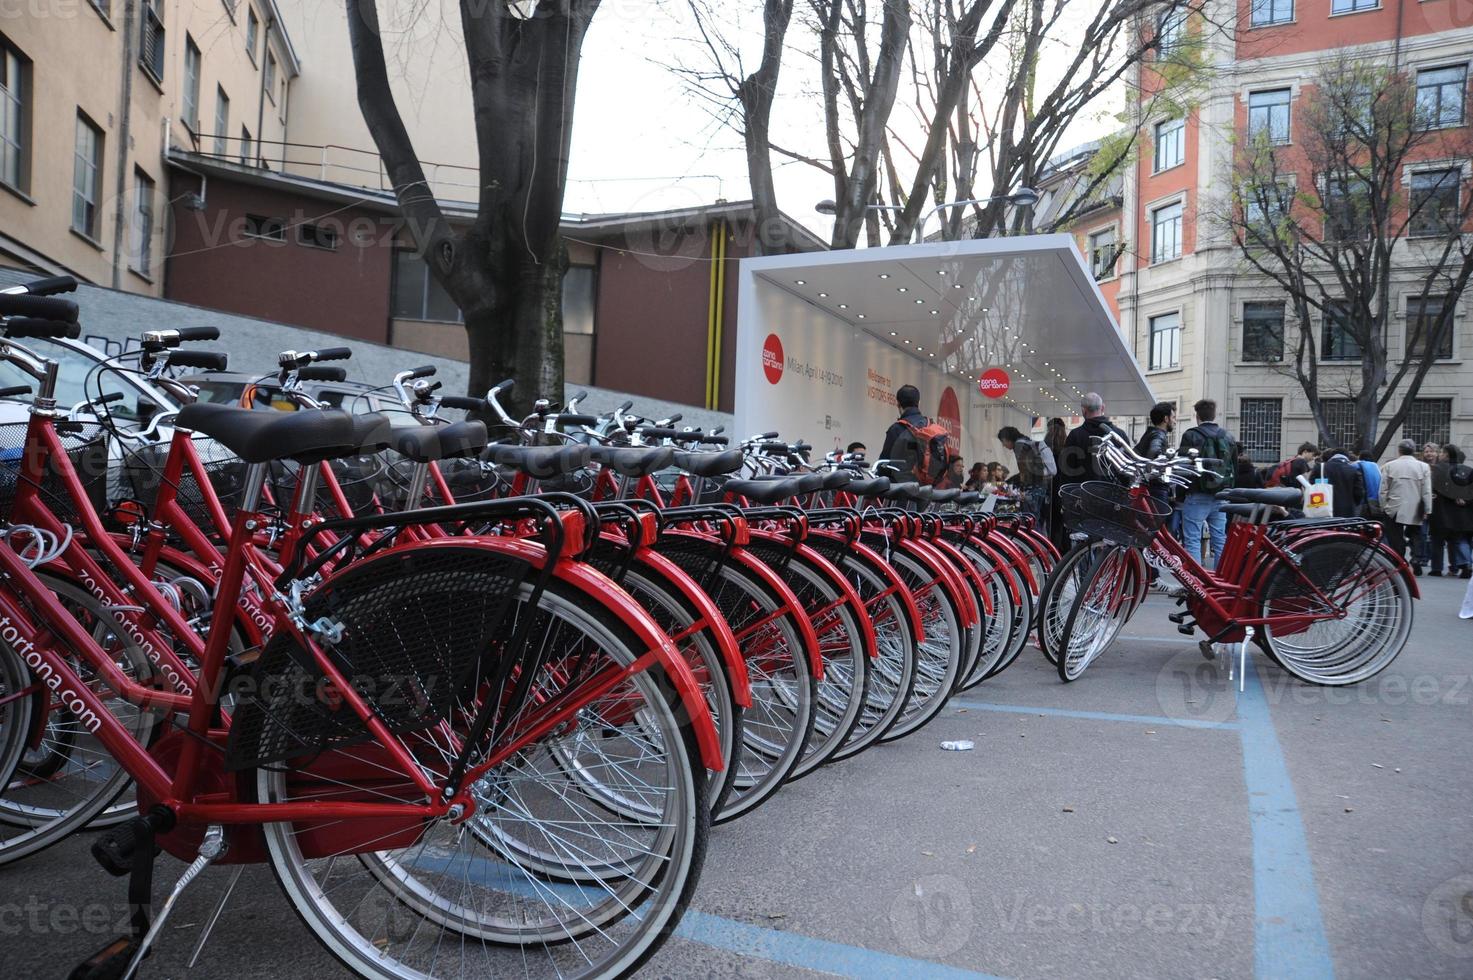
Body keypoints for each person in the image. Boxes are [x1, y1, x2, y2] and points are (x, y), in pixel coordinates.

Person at [1177, 399, 1239, 569]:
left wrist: (1180, 496)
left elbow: (1184, 467)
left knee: (1192, 539)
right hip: (1221, 495)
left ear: (1197, 416)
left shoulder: (1190, 435)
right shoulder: (1228, 436)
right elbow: (1235, 468)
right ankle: (1220, 580)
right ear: (1215, 414)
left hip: (1197, 494)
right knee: (1220, 539)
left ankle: (1196, 583)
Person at [1380, 439, 1433, 572]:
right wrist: (1427, 509)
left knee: (1395, 535)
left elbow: (1383, 489)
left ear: (1399, 450)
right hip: (1416, 505)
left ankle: (1399, 560)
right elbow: (1426, 490)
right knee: (1416, 533)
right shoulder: (1423, 467)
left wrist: (1383, 506)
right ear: (1414, 451)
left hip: (1394, 505)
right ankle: (1416, 558)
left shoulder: (1389, 466)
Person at [1058, 393, 1129, 487]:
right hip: (1114, 496)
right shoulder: (1120, 435)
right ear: (1102, 408)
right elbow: (1127, 470)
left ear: (1083, 410)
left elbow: (1066, 472)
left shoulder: (1075, 436)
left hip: (1084, 495)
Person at [1429, 445, 1473, 578]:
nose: (1439, 455)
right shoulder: (1467, 470)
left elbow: (1432, 488)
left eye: (1441, 452)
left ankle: (1437, 568)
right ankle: (1455, 566)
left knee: (1437, 540)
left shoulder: (1437, 469)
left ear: (1447, 455)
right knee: (1455, 540)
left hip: (1440, 510)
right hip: (1461, 512)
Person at [996, 426, 1055, 518]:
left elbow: (1026, 470)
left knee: (1030, 520)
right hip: (1040, 487)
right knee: (1036, 519)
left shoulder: (1019, 446)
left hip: (1033, 489)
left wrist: (1024, 490)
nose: (1003, 445)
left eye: (1003, 442)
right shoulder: (1026, 441)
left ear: (1006, 439)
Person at [879, 384, 926, 472]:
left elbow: (884, 463)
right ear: (919, 402)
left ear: (898, 403)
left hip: (903, 483)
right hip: (930, 484)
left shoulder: (897, 429)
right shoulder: (930, 426)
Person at [1312, 448, 1367, 518]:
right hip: (1347, 511)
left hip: (1322, 509)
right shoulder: (1354, 470)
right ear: (1347, 457)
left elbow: (1312, 486)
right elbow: (1359, 493)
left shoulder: (1320, 467)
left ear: (1332, 456)